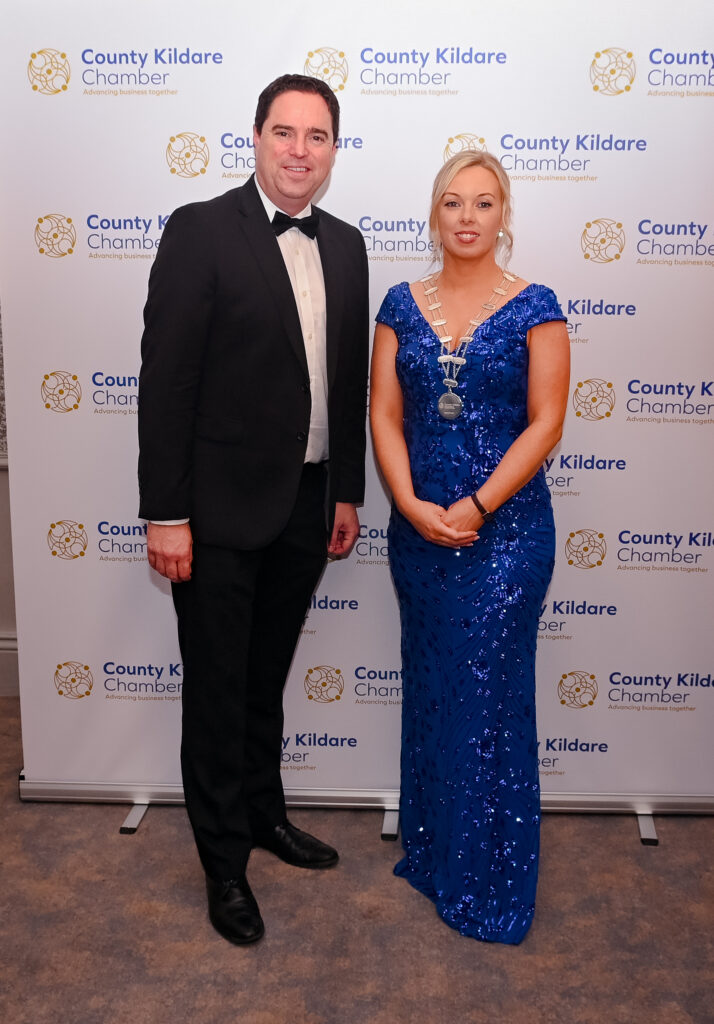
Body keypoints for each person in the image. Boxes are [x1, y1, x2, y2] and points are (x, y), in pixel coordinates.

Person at [138, 74, 369, 945]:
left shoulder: (347, 245)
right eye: (284, 132)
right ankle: (223, 862)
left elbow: (347, 383)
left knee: (265, 678)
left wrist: (346, 488)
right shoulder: (200, 230)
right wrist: (166, 513)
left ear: (334, 149)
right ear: (257, 137)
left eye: (317, 135)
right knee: (218, 690)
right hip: (215, 513)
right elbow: (167, 384)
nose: (300, 150)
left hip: (308, 505)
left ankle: (265, 814)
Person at [370, 151, 569, 944]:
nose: (467, 217)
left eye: (484, 203)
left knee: (488, 695)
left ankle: (487, 877)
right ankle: (435, 851)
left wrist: (478, 505)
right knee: (434, 687)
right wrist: (410, 504)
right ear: (434, 213)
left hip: (507, 535)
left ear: (503, 215)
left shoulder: (537, 305)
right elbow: (384, 414)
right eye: (453, 202)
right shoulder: (399, 303)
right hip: (419, 533)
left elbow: (546, 422)